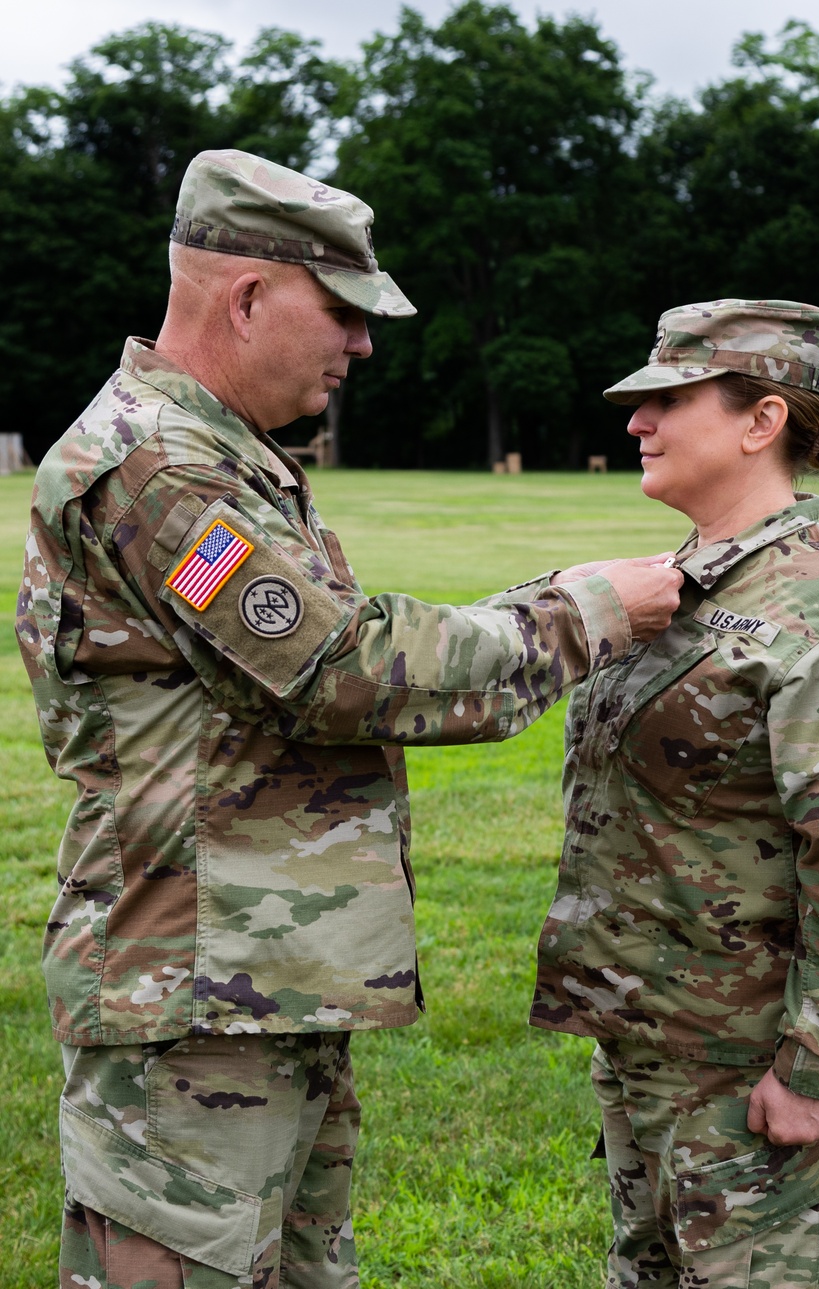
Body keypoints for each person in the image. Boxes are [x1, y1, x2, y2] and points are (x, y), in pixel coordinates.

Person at [15, 148, 684, 1289]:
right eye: (345, 312)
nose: (364, 344)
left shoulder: (226, 454)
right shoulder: (155, 466)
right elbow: (341, 666)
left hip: (256, 978)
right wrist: (580, 610)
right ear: (248, 295)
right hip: (191, 995)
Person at [528, 299, 819, 1288]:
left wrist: (815, 1065)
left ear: (762, 420)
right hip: (653, 1052)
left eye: (668, 399)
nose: (637, 421)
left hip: (752, 1072)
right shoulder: (673, 589)